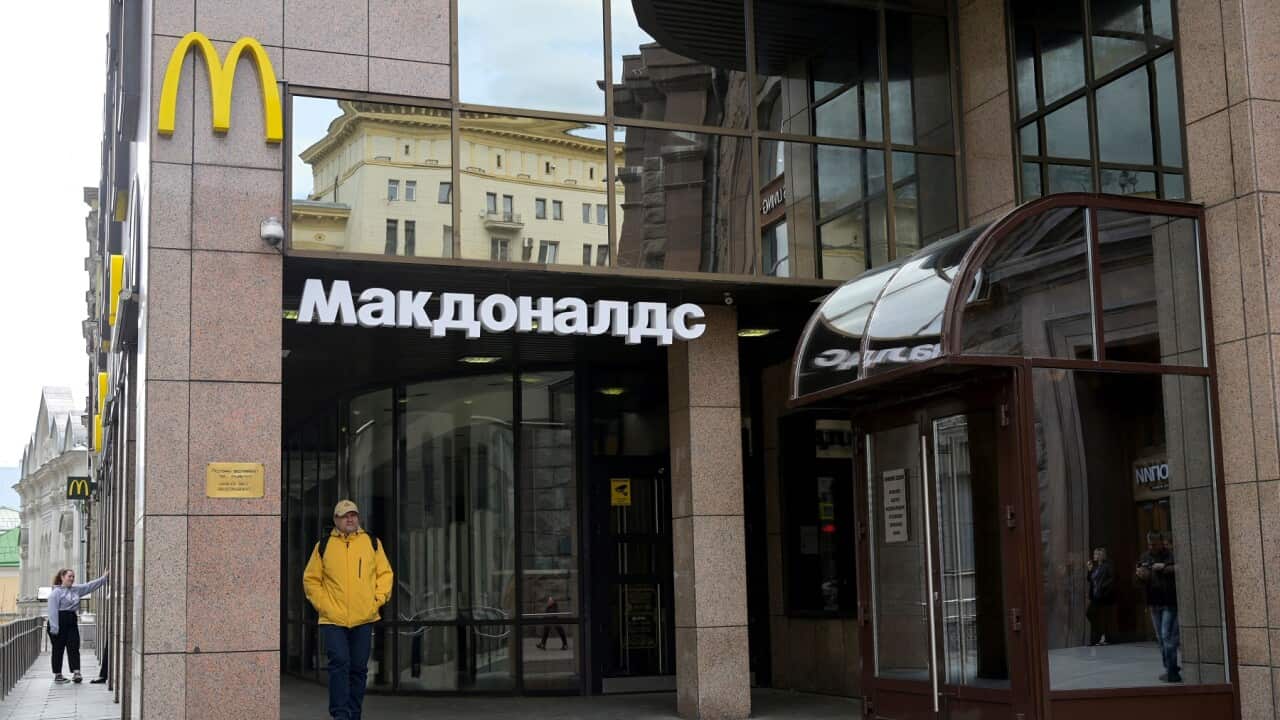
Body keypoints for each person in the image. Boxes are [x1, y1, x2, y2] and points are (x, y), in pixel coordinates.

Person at [304, 500, 393, 720]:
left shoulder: (372, 543)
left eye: (353, 515)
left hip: (364, 618)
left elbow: (385, 574)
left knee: (359, 669)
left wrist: (377, 601)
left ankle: (354, 713)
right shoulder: (324, 546)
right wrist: (324, 605)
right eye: (345, 516)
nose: (350, 519)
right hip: (333, 619)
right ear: (336, 520)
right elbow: (311, 580)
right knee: (339, 664)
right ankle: (340, 714)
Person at [47, 568, 109, 684]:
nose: (72, 579)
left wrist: (103, 578)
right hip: (59, 621)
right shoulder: (56, 593)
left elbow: (89, 586)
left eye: (73, 577)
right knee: (58, 648)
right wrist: (54, 628)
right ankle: (58, 674)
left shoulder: (76, 590)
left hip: (71, 620)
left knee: (74, 646)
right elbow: (52, 611)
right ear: (62, 577)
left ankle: (76, 672)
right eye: (69, 576)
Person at [1135, 531, 1180, 682]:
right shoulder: (1145, 557)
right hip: (1153, 602)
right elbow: (1139, 580)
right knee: (1160, 638)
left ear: (1161, 543)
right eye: (1149, 544)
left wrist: (1164, 567)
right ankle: (1169, 667)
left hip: (1169, 601)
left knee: (1166, 635)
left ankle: (1172, 670)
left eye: (1154, 544)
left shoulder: (1170, 555)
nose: (1151, 547)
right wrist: (1140, 575)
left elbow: (1180, 568)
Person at [1085, 546, 1116, 646]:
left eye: (1096, 554)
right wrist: (1090, 570)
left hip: (1103, 595)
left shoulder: (1107, 566)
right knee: (1090, 614)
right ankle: (1100, 634)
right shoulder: (1096, 567)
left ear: (1101, 555)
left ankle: (1102, 637)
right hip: (1095, 595)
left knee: (1103, 616)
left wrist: (1102, 587)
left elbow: (1111, 579)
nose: (1094, 556)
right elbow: (1089, 580)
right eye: (1094, 554)